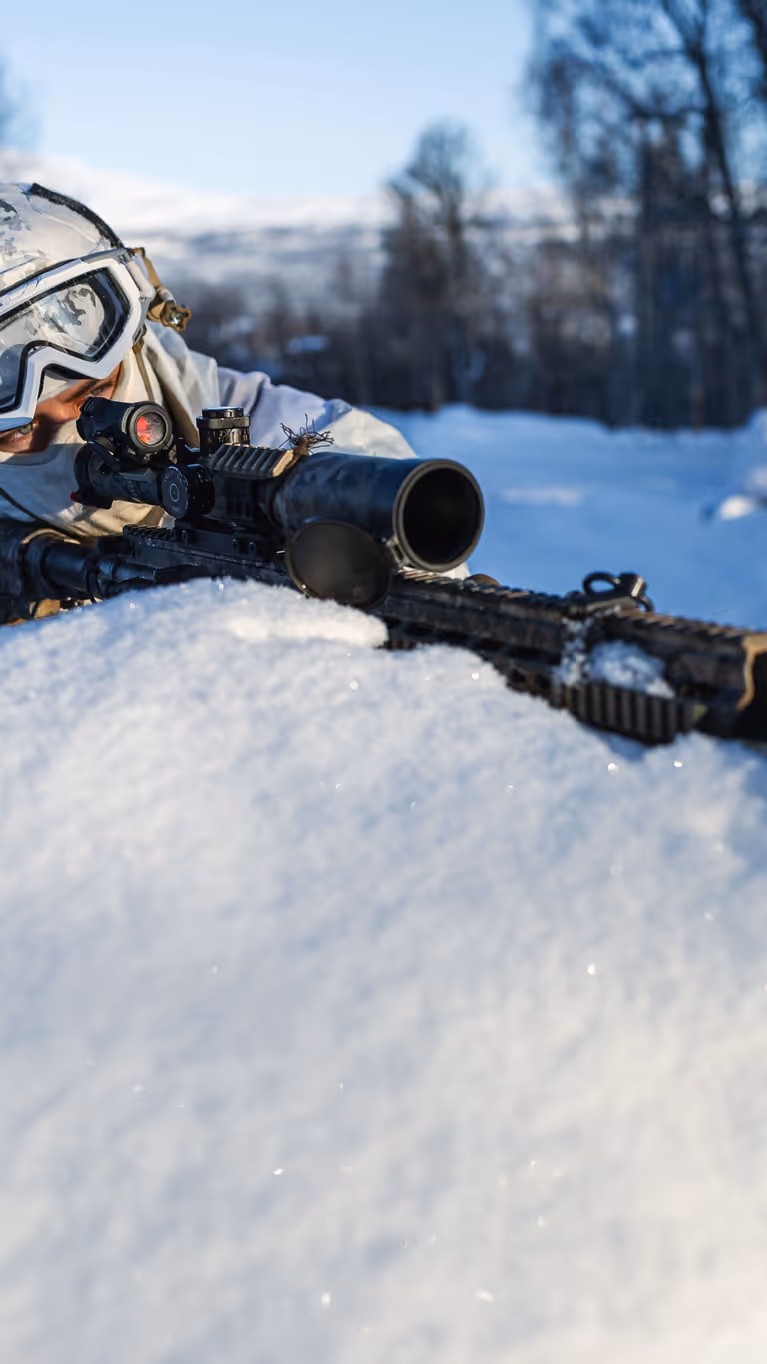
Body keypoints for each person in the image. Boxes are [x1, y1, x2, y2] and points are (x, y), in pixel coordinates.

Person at [0, 180, 431, 547]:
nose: (72, 432)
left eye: (94, 394)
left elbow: (398, 500)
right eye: (19, 431)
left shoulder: (283, 434)